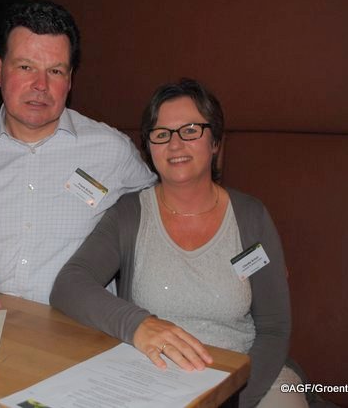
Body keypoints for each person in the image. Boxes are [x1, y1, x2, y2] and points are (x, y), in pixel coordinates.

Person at [50, 79, 309, 407]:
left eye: (190, 130)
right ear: (149, 147)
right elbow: (69, 285)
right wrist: (138, 325)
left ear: (215, 141)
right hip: (155, 379)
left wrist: (233, 397)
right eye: (161, 134)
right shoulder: (129, 215)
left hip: (249, 380)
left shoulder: (251, 216)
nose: (174, 144)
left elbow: (274, 328)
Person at [0, 0, 155, 312]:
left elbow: (162, 219)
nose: (41, 85)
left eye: (55, 71)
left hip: (80, 331)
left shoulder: (112, 151)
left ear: (69, 81)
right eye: (26, 67)